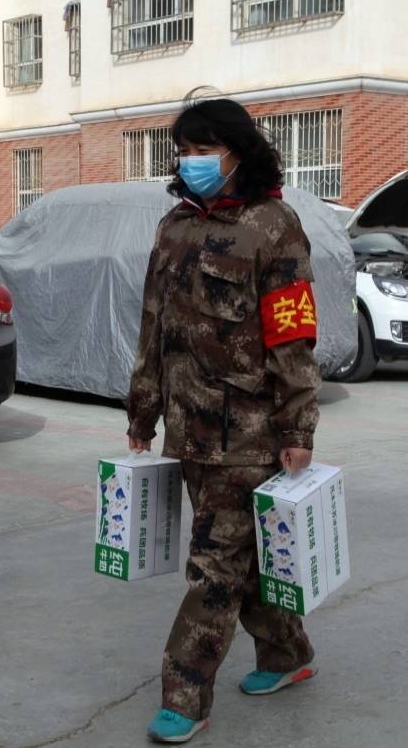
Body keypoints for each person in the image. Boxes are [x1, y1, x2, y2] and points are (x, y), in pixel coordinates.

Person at [126, 96, 320, 743]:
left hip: (249, 436)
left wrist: (296, 428)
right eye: (184, 151)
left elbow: (292, 331)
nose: (192, 162)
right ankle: (288, 655)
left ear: (238, 151)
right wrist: (143, 411)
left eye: (204, 150)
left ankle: (185, 697)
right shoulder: (174, 226)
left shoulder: (273, 225)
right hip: (188, 430)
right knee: (246, 558)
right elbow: (153, 328)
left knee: (213, 570)